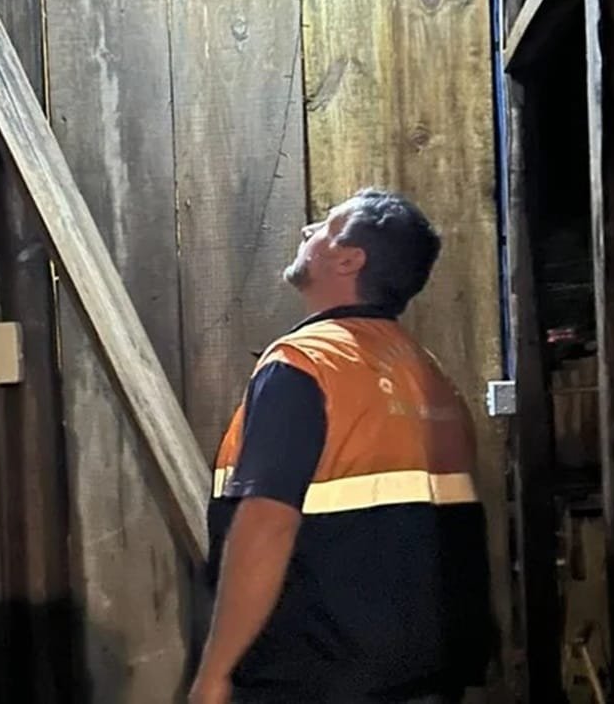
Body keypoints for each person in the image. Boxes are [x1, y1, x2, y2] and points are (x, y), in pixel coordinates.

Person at [190, 188, 495, 704]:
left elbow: (267, 523)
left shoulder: (305, 364)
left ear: (349, 259)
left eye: (325, 228)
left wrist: (215, 672)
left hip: (319, 676)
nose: (307, 232)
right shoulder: (428, 374)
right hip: (428, 674)